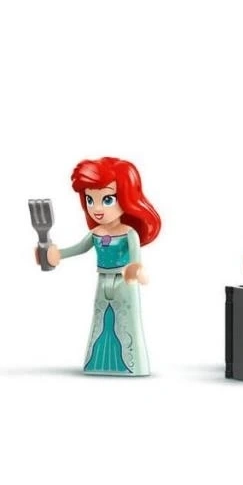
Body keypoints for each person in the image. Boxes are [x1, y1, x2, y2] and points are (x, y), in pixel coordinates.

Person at [39, 157, 160, 376]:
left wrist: (136, 271)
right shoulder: (96, 233)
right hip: (102, 280)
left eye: (107, 199)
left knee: (126, 321)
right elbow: (77, 249)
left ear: (126, 198)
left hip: (124, 282)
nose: (97, 209)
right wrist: (54, 255)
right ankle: (98, 363)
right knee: (100, 319)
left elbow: (136, 262)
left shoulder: (129, 234)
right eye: (90, 199)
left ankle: (131, 364)